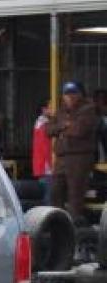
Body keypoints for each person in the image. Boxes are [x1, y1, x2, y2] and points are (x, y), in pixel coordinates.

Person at [47, 81, 100, 225]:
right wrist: (65, 125)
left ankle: (74, 228)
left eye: (73, 93)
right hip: (62, 157)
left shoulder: (88, 109)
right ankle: (56, 224)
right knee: (55, 191)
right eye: (66, 94)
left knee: (75, 194)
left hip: (79, 157)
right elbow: (48, 130)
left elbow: (79, 131)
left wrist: (61, 128)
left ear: (80, 94)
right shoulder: (61, 110)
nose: (69, 97)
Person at [32, 103, 53, 205]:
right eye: (51, 106)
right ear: (44, 109)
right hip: (46, 165)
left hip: (43, 164)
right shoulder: (44, 125)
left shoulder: (40, 124)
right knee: (48, 195)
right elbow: (46, 147)